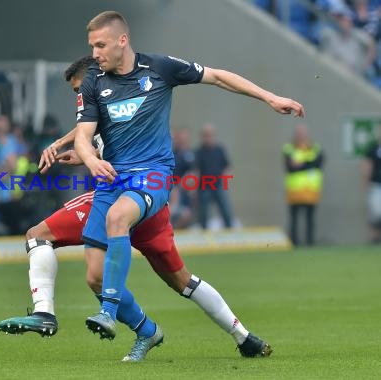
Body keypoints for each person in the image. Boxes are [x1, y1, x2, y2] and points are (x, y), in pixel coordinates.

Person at [0, 55, 273, 362]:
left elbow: (102, 132)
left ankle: (231, 334)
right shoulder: (103, 101)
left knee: (178, 280)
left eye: (80, 88)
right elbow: (93, 131)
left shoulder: (131, 87)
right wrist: (78, 150)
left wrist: (73, 146)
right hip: (135, 203)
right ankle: (233, 336)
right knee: (170, 280)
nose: (80, 96)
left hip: (133, 199)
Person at [73, 11, 304, 348]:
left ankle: (107, 312)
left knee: (117, 217)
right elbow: (83, 134)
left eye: (100, 45)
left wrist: (270, 98)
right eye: (92, 46)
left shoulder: (160, 68)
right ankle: (148, 330)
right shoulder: (94, 80)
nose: (94, 53)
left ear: (123, 40)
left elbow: (218, 77)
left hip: (152, 174)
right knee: (94, 276)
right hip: (111, 179)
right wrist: (90, 157)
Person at [283, 124, 324, 246]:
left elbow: (319, 162)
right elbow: (290, 167)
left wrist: (300, 164)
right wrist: (309, 164)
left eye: (303, 133)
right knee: (294, 219)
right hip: (295, 191)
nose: (301, 135)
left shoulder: (315, 147)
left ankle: (310, 243)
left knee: (310, 219)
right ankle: (294, 243)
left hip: (311, 191)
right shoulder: (289, 148)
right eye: (299, 133)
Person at [195, 123, 234, 230]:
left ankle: (230, 230)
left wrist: (226, 181)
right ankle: (204, 232)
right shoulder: (199, 152)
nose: (208, 137)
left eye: (210, 135)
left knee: (226, 210)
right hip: (204, 186)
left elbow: (227, 166)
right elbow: (196, 170)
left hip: (218, 185)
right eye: (205, 135)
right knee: (204, 213)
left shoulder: (219, 150)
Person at [362, 124, 381, 244]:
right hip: (376, 185)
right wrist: (366, 183)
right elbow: (367, 166)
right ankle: (375, 238)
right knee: (376, 212)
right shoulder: (373, 148)